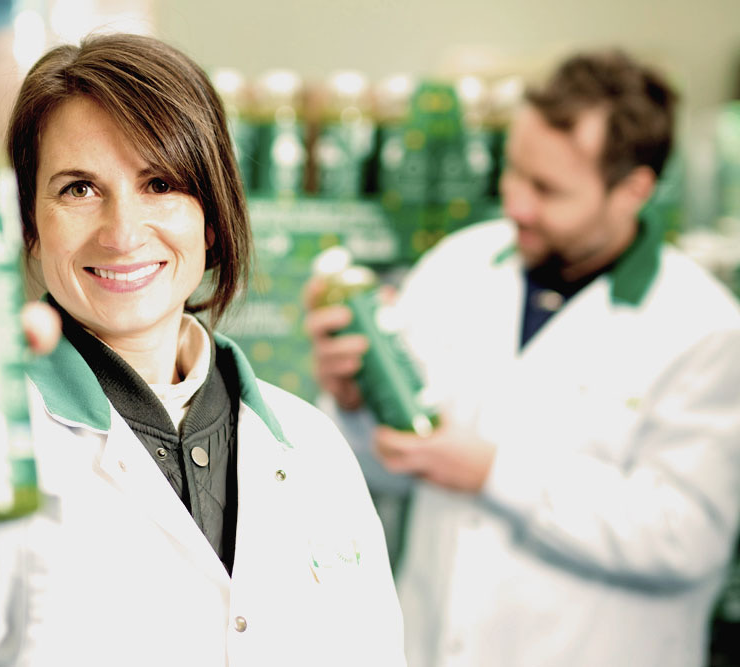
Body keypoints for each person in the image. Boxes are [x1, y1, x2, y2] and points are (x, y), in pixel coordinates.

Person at [0, 33, 406, 666]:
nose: (122, 233)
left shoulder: (313, 447)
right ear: (28, 224)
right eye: (78, 189)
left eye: (160, 183)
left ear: (212, 218)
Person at [305, 49, 740, 667]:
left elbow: (685, 537)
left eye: (547, 189)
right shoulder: (460, 265)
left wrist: (492, 472)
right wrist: (354, 402)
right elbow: (386, 473)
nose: (516, 204)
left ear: (633, 191)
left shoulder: (704, 329)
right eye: (514, 173)